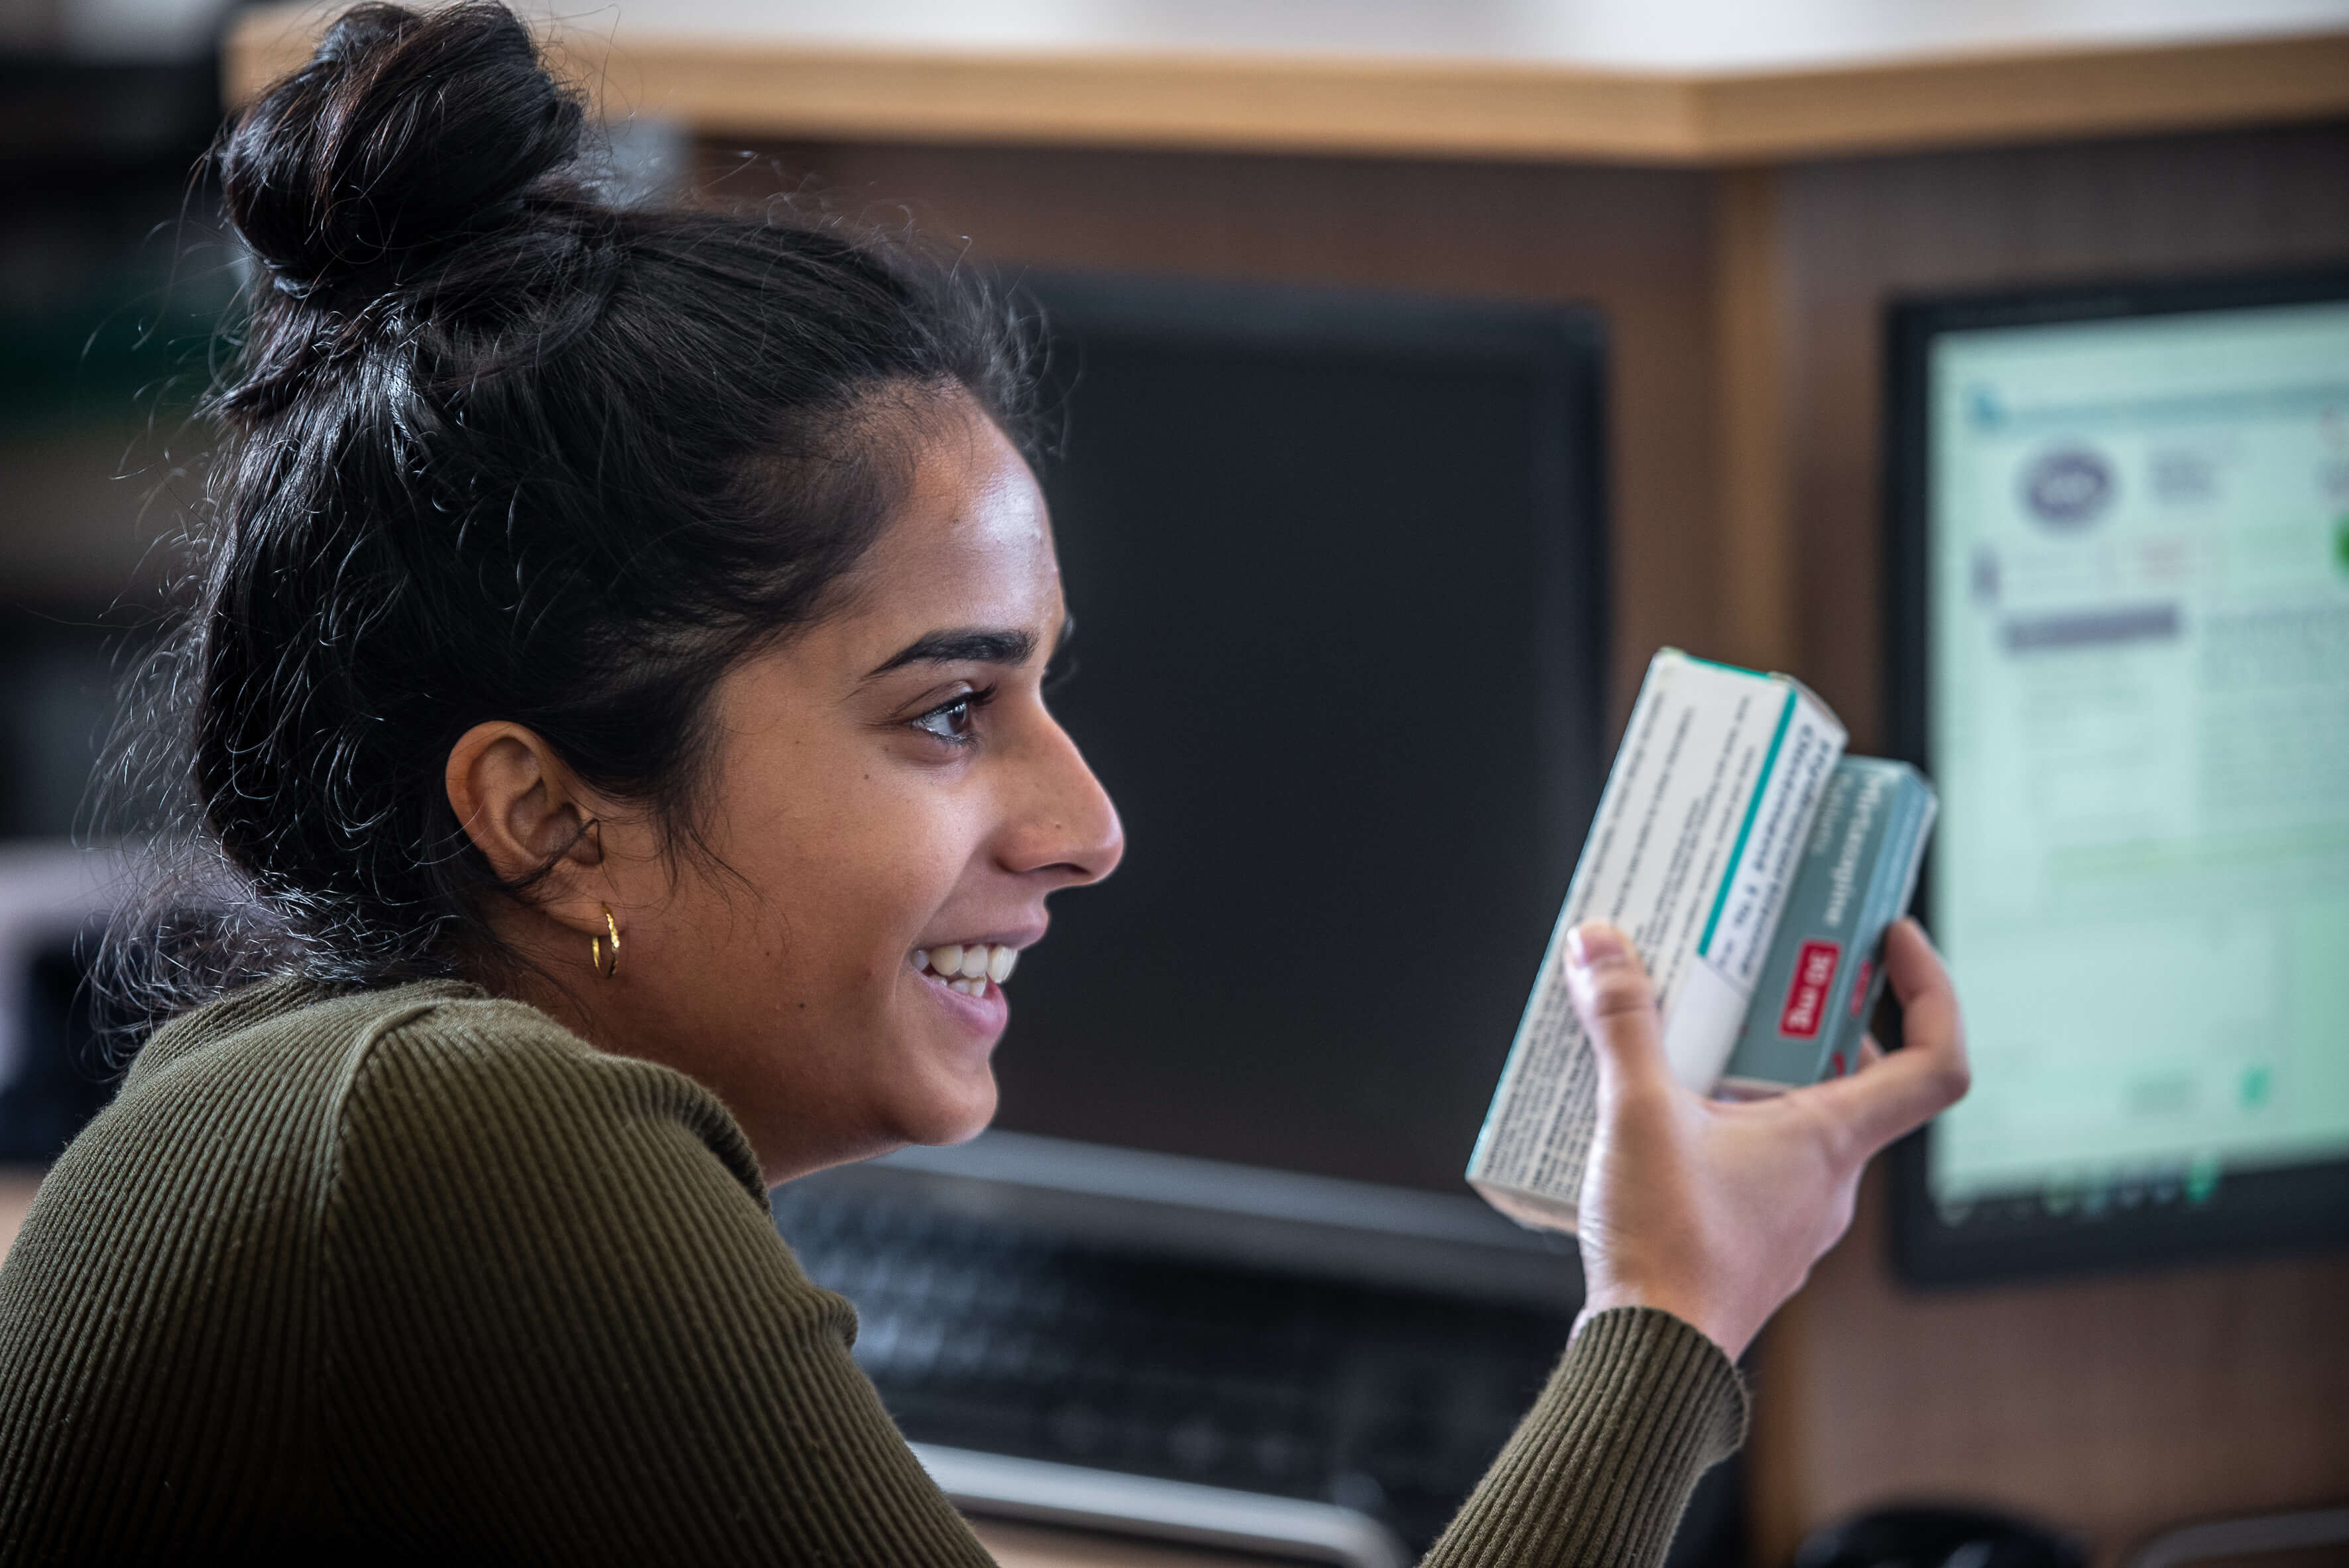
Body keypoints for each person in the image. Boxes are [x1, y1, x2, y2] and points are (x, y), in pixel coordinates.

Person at [0, 4, 1970, 1562]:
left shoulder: (348, 1094)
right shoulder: (471, 1141)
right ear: (542, 813)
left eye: (1044, 691)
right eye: (948, 711)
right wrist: (1668, 1315)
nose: (1087, 826)